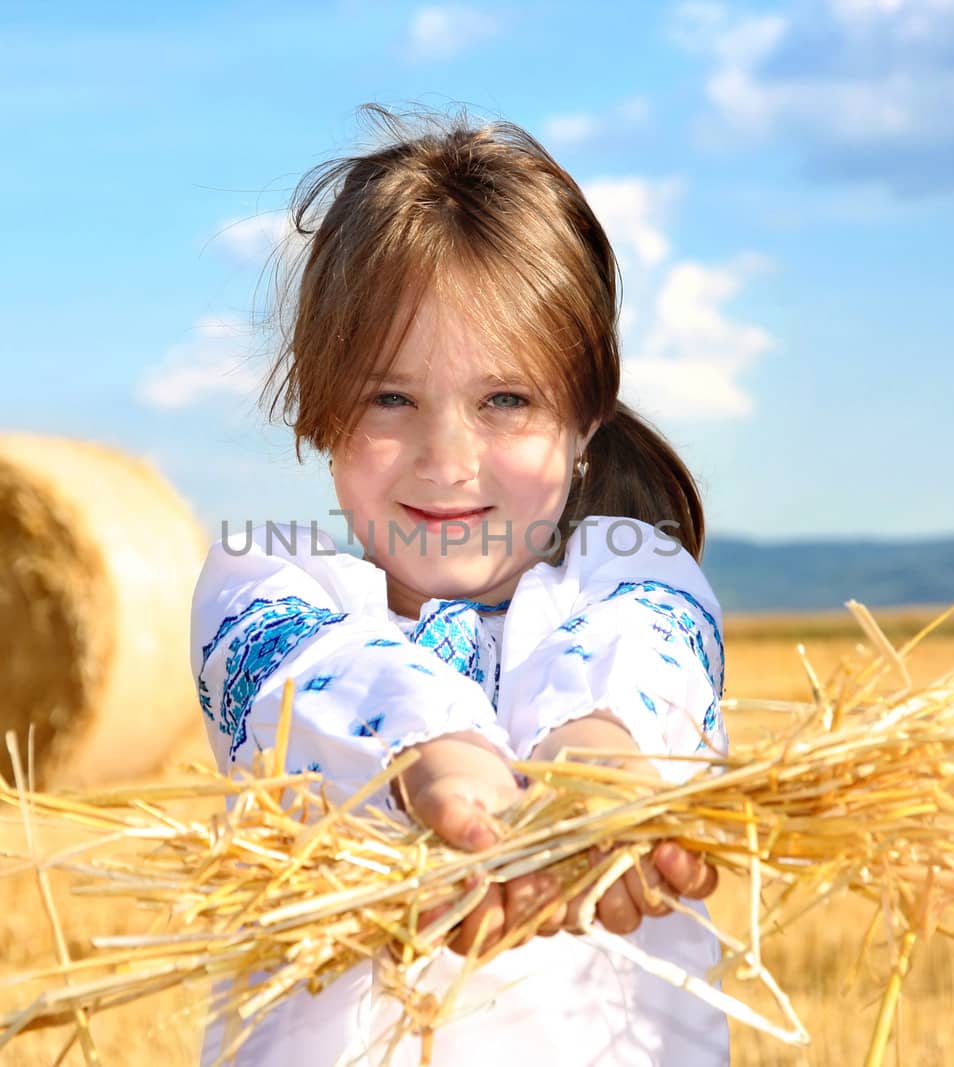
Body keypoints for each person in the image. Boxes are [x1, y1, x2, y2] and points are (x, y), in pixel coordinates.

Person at [190, 104, 730, 1067]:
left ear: (584, 418)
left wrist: (595, 766)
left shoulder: (631, 576)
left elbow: (651, 644)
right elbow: (314, 673)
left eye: (506, 402)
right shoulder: (269, 583)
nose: (447, 460)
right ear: (320, 410)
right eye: (391, 398)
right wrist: (437, 756)